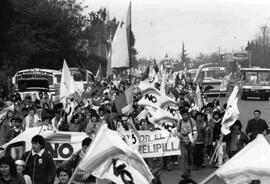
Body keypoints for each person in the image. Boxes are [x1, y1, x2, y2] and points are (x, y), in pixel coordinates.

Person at [176, 109, 197, 177]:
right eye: (183, 115)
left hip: (190, 140)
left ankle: (189, 170)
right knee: (184, 156)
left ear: (188, 115)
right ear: (182, 116)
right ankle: (184, 172)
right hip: (183, 141)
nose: (185, 116)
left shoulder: (192, 121)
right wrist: (181, 136)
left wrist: (194, 140)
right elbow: (177, 131)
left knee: (190, 156)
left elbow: (195, 131)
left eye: (186, 115)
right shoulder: (180, 122)